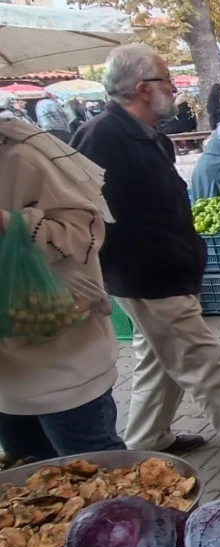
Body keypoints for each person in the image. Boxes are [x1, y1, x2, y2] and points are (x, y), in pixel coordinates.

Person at [73, 44, 220, 470]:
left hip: (163, 272)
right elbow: (84, 215)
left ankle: (148, 440)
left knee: (156, 361)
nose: (174, 89)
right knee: (206, 368)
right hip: (149, 277)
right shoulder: (103, 137)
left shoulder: (150, 136)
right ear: (144, 89)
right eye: (167, 81)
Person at [0, 117, 127, 462]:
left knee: (101, 474)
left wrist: (9, 224)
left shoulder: (21, 158)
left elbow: (84, 233)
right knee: (32, 485)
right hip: (8, 378)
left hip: (63, 365)